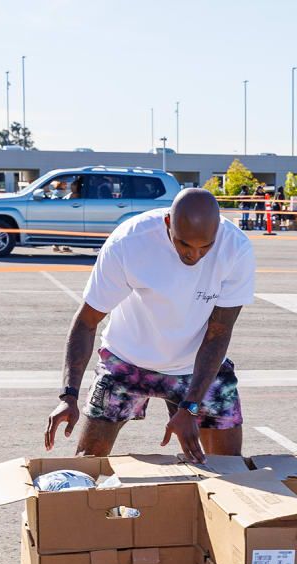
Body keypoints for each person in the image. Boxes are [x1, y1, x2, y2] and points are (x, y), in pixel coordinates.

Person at [44, 188, 256, 461]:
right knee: (89, 462)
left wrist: (190, 406)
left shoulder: (236, 249)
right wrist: (68, 395)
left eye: (205, 247)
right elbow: (86, 321)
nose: (194, 256)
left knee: (229, 467)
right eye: (184, 245)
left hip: (196, 365)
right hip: (128, 360)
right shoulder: (129, 242)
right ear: (168, 223)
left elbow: (219, 333)